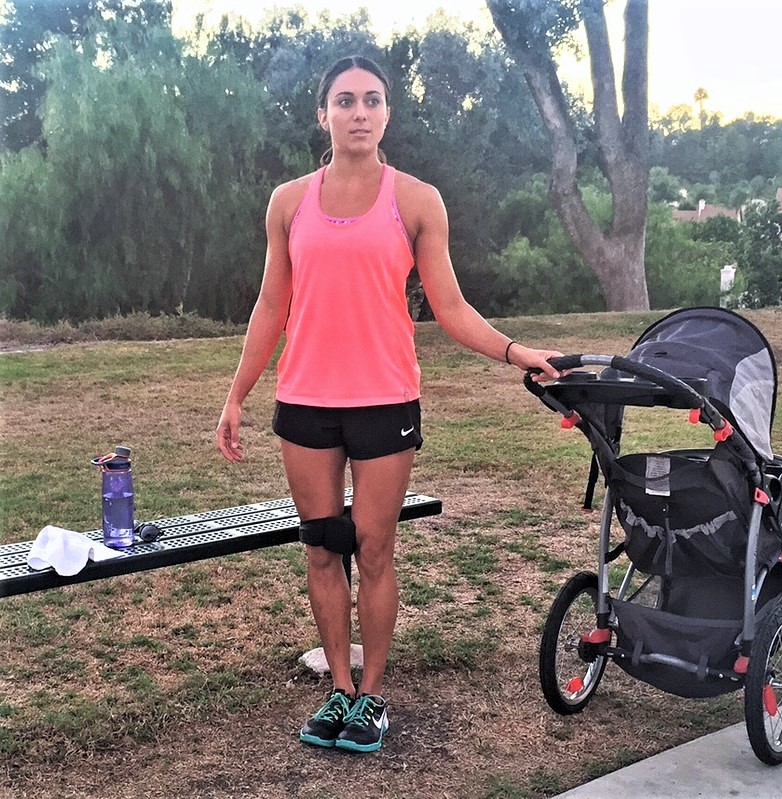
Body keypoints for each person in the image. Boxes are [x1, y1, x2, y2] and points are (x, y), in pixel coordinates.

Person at [215, 54, 564, 754]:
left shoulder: (416, 200)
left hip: (384, 402)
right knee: (322, 550)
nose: (359, 113)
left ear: (387, 114)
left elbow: (452, 306)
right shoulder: (289, 202)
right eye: (345, 101)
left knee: (374, 550)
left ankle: (372, 696)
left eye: (372, 100)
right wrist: (235, 395)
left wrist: (512, 350)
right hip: (305, 401)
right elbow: (270, 305)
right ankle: (338, 689)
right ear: (324, 115)